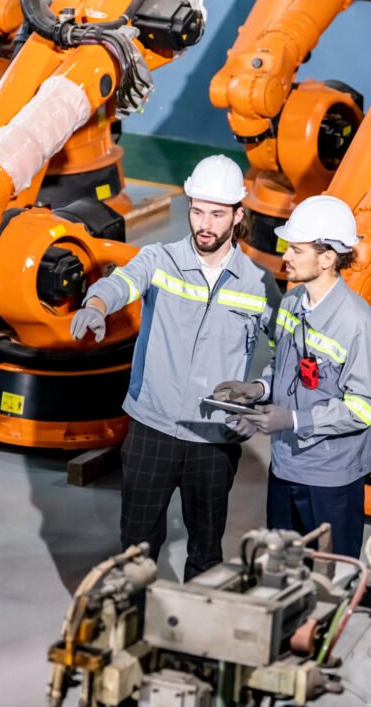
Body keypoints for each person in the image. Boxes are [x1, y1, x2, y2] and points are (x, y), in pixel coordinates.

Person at [70, 155, 279, 580]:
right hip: (153, 430)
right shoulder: (159, 260)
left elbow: (289, 353)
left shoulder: (259, 284)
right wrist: (95, 304)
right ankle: (135, 630)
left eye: (217, 214)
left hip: (214, 438)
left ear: (238, 216)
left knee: (206, 552)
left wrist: (259, 393)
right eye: (198, 210)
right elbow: (120, 283)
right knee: (136, 549)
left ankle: (193, 635)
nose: (205, 223)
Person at [214, 196, 371, 557]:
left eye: (296, 249)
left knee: (331, 575)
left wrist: (293, 419)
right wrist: (257, 389)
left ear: (326, 259)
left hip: (330, 478)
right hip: (286, 464)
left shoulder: (357, 324)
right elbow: (282, 364)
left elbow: (364, 408)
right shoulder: (291, 303)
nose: (285, 257)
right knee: (284, 570)